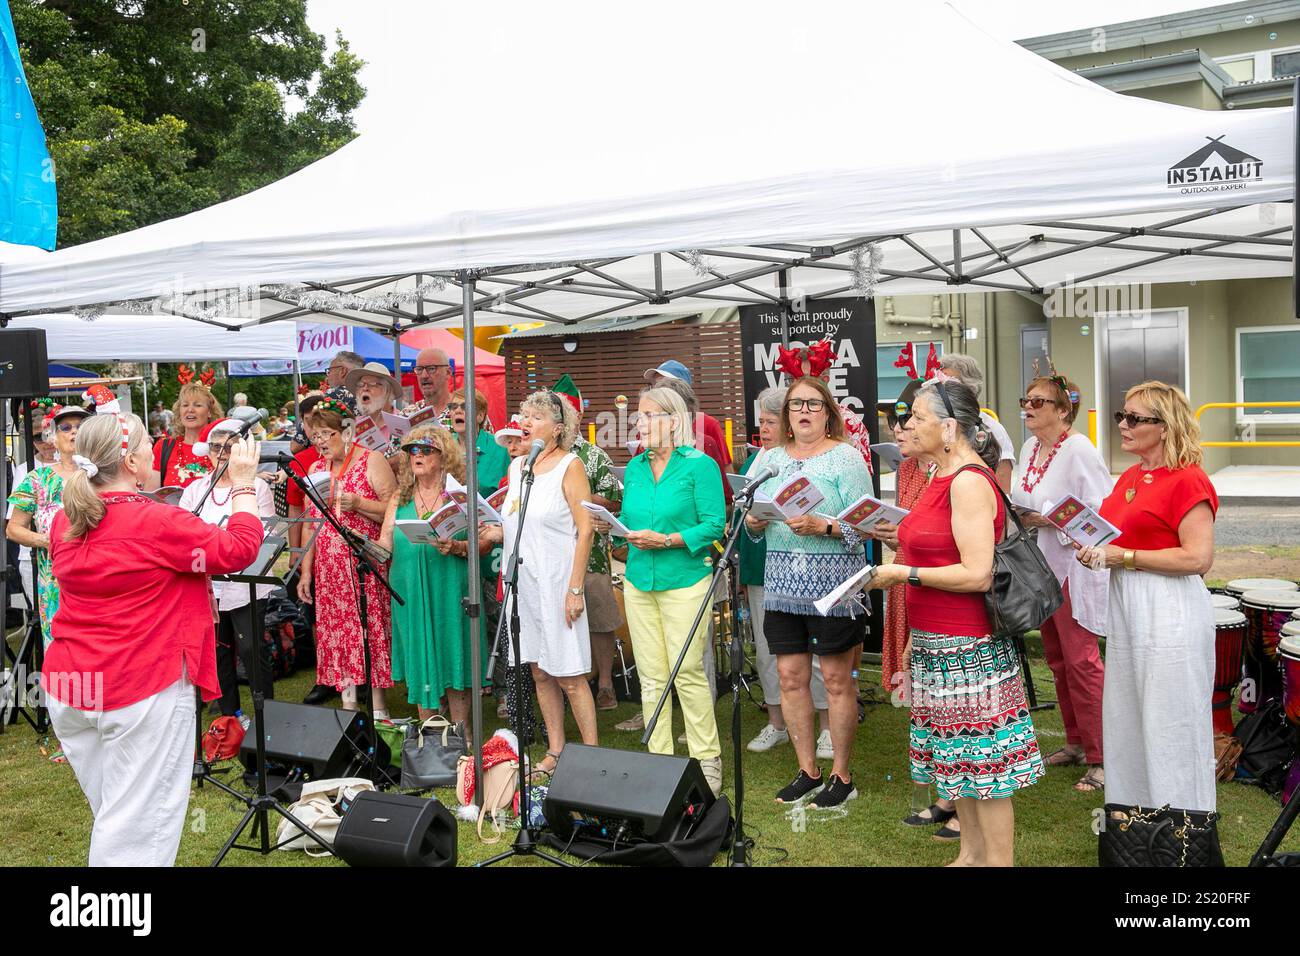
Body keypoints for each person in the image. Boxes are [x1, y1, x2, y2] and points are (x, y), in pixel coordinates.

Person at [43, 414, 263, 866]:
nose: (152, 451)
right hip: (138, 685)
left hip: (73, 683)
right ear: (131, 461)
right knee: (135, 830)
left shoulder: (68, 517)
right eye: (146, 444)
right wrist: (243, 484)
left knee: (116, 814)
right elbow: (237, 548)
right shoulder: (155, 520)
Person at [868, 380, 1044, 867]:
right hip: (935, 642)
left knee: (985, 770)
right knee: (956, 764)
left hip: (969, 648)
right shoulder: (936, 476)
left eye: (918, 417)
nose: (906, 425)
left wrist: (906, 573)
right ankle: (969, 855)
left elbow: (977, 573)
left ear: (948, 427)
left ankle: (997, 863)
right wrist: (913, 638)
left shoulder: (967, 479)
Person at [1078, 381, 1217, 815]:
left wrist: (1126, 557)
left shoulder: (1189, 478)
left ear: (1164, 426)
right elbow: (1116, 536)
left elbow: (1198, 557)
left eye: (1135, 418)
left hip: (1168, 607)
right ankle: (1133, 822)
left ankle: (1179, 826)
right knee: (1129, 715)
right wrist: (1095, 550)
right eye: (1122, 414)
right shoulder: (1132, 476)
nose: (1123, 424)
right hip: (1129, 605)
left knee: (1169, 717)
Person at [745, 376, 873, 808]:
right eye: (797, 404)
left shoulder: (846, 458)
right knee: (790, 678)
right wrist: (755, 522)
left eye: (814, 405)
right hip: (782, 584)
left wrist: (827, 525)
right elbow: (749, 517)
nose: (803, 411)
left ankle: (841, 774)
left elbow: (869, 524)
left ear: (828, 414)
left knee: (837, 680)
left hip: (834, 586)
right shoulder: (769, 457)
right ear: (786, 415)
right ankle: (807, 770)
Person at [607, 385, 726, 796]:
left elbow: (715, 525)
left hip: (686, 580)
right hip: (640, 580)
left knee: (688, 671)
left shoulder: (700, 465)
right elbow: (628, 517)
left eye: (646, 415)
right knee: (652, 676)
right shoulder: (636, 468)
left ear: (673, 422)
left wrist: (668, 539)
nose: (638, 423)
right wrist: (619, 531)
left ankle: (706, 759)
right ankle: (658, 762)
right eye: (637, 416)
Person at [482, 390, 597, 781]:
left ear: (558, 428)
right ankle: (556, 750)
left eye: (534, 416)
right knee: (539, 671)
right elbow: (517, 521)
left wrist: (575, 588)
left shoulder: (571, 466)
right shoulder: (518, 467)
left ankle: (593, 755)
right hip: (523, 584)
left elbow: (586, 530)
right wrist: (495, 529)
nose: (525, 421)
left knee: (569, 674)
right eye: (523, 414)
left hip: (557, 580)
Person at [1011, 371, 1111, 793]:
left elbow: (1099, 511)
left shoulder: (1080, 449)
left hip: (1073, 568)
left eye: (1038, 402)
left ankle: (1103, 755)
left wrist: (1047, 519)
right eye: (1026, 400)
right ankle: (1074, 742)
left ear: (1063, 409)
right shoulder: (1032, 447)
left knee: (1082, 661)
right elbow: (1023, 497)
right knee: (1056, 658)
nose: (1028, 409)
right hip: (1041, 567)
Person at [739, 386, 832, 755]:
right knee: (767, 651)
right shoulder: (758, 459)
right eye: (760, 420)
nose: (763, 427)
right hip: (760, 566)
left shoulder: (809, 460)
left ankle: (825, 725)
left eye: (770, 420)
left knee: (819, 654)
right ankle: (776, 722)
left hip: (807, 564)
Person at [296, 396, 399, 718]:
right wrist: (305, 571)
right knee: (337, 632)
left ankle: (379, 705)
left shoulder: (372, 460)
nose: (322, 442)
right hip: (329, 568)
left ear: (347, 432)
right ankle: (348, 702)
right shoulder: (315, 469)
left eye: (328, 434)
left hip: (364, 563)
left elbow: (394, 508)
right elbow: (311, 521)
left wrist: (359, 504)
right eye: (316, 436)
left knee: (371, 629)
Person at [379, 425, 490, 723]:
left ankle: (462, 734)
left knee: (454, 652)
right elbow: (384, 543)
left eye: (426, 449)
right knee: (419, 657)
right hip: (410, 588)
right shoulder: (399, 497)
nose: (417, 455)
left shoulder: (461, 494)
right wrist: (357, 542)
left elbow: (486, 541)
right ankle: (429, 736)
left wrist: (457, 546)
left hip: (450, 586)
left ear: (443, 456)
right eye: (412, 450)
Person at [179, 420, 277, 722]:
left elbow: (263, 531)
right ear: (207, 452)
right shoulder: (196, 488)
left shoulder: (256, 487)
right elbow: (183, 529)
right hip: (208, 583)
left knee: (251, 648)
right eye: (215, 447)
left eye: (229, 447)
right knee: (217, 651)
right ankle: (229, 715)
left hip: (244, 582)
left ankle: (266, 712)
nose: (221, 453)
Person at [556, 374, 626, 712]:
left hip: (593, 555)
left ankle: (605, 685)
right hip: (554, 556)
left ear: (577, 415)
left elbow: (615, 499)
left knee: (599, 619)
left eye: (567, 409)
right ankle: (569, 684)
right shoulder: (543, 457)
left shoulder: (594, 456)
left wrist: (588, 498)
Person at [7, 404, 88, 648]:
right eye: (66, 427)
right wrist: (47, 540)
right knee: (61, 647)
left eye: (81, 427)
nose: (74, 432)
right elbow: (13, 528)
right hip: (55, 580)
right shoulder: (38, 478)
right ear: (53, 435)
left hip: (98, 575)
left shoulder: (101, 475)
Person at [938, 354, 1015, 493]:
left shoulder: (991, 428)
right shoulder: (934, 424)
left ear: (970, 390)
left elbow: (1003, 489)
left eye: (948, 383)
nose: (939, 391)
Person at [643, 359, 733, 473]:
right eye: (654, 385)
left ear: (681, 389)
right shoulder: (648, 426)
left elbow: (725, 471)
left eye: (662, 385)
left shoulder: (708, 424)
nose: (656, 390)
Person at [150, 379, 224, 489]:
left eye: (197, 405)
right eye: (185, 405)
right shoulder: (163, 447)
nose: (190, 410)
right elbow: (151, 496)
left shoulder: (221, 448)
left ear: (209, 412)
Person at [290, 350, 362, 454]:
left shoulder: (329, 397)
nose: (327, 377)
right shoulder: (371, 397)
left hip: (331, 460)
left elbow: (296, 446)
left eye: (329, 371)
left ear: (342, 371)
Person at [448, 386, 510, 494]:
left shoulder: (500, 448)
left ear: (480, 416)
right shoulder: (444, 447)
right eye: (453, 407)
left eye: (465, 407)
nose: (457, 411)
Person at [403, 347, 454, 418]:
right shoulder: (407, 415)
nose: (424, 376)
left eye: (431, 369)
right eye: (419, 369)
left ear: (448, 372)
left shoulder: (465, 412)